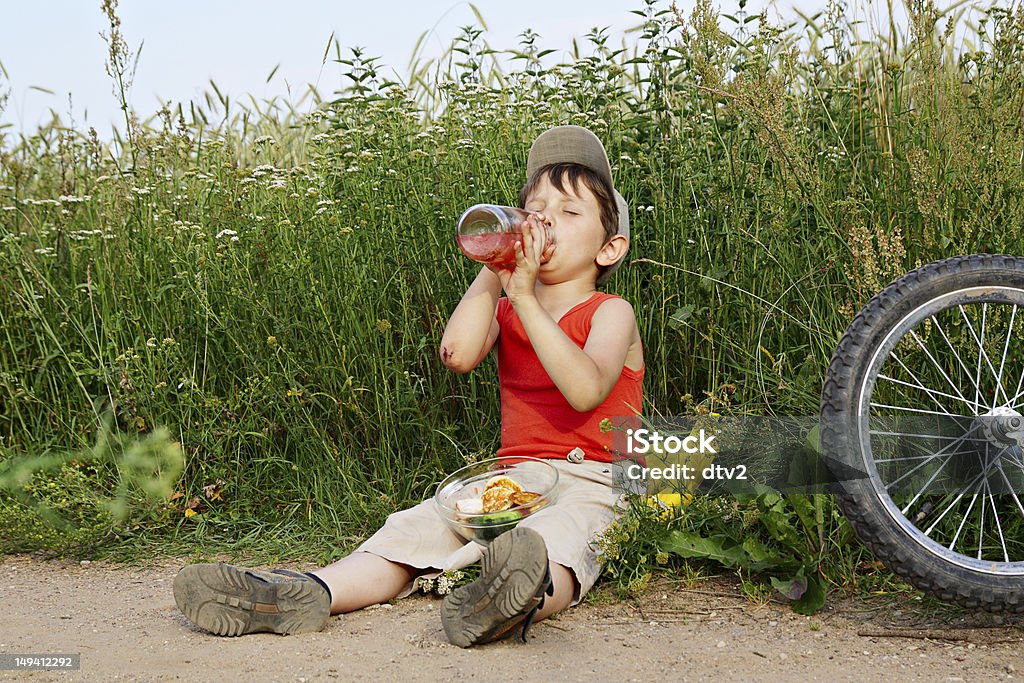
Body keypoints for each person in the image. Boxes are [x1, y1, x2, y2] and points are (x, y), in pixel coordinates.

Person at [173, 125, 645, 647]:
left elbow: (585, 390)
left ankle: (512, 601)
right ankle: (304, 592)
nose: (546, 221)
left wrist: (528, 300)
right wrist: (496, 264)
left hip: (596, 480)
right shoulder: (506, 306)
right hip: (516, 480)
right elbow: (458, 355)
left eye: (569, 212)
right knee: (415, 528)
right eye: (535, 209)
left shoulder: (611, 312)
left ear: (610, 248)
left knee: (558, 542)